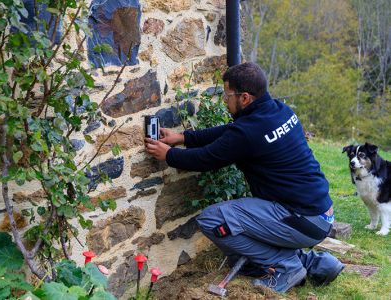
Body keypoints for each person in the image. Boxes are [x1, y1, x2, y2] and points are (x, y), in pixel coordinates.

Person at [144, 62, 344, 293]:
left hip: (300, 217)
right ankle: (312, 263)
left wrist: (169, 155)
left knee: (214, 220)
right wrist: (183, 137)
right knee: (244, 230)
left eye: (227, 95)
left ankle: (286, 266)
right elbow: (230, 133)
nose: (224, 100)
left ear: (245, 98)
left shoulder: (248, 131)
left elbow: (206, 159)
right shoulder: (280, 111)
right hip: (320, 215)